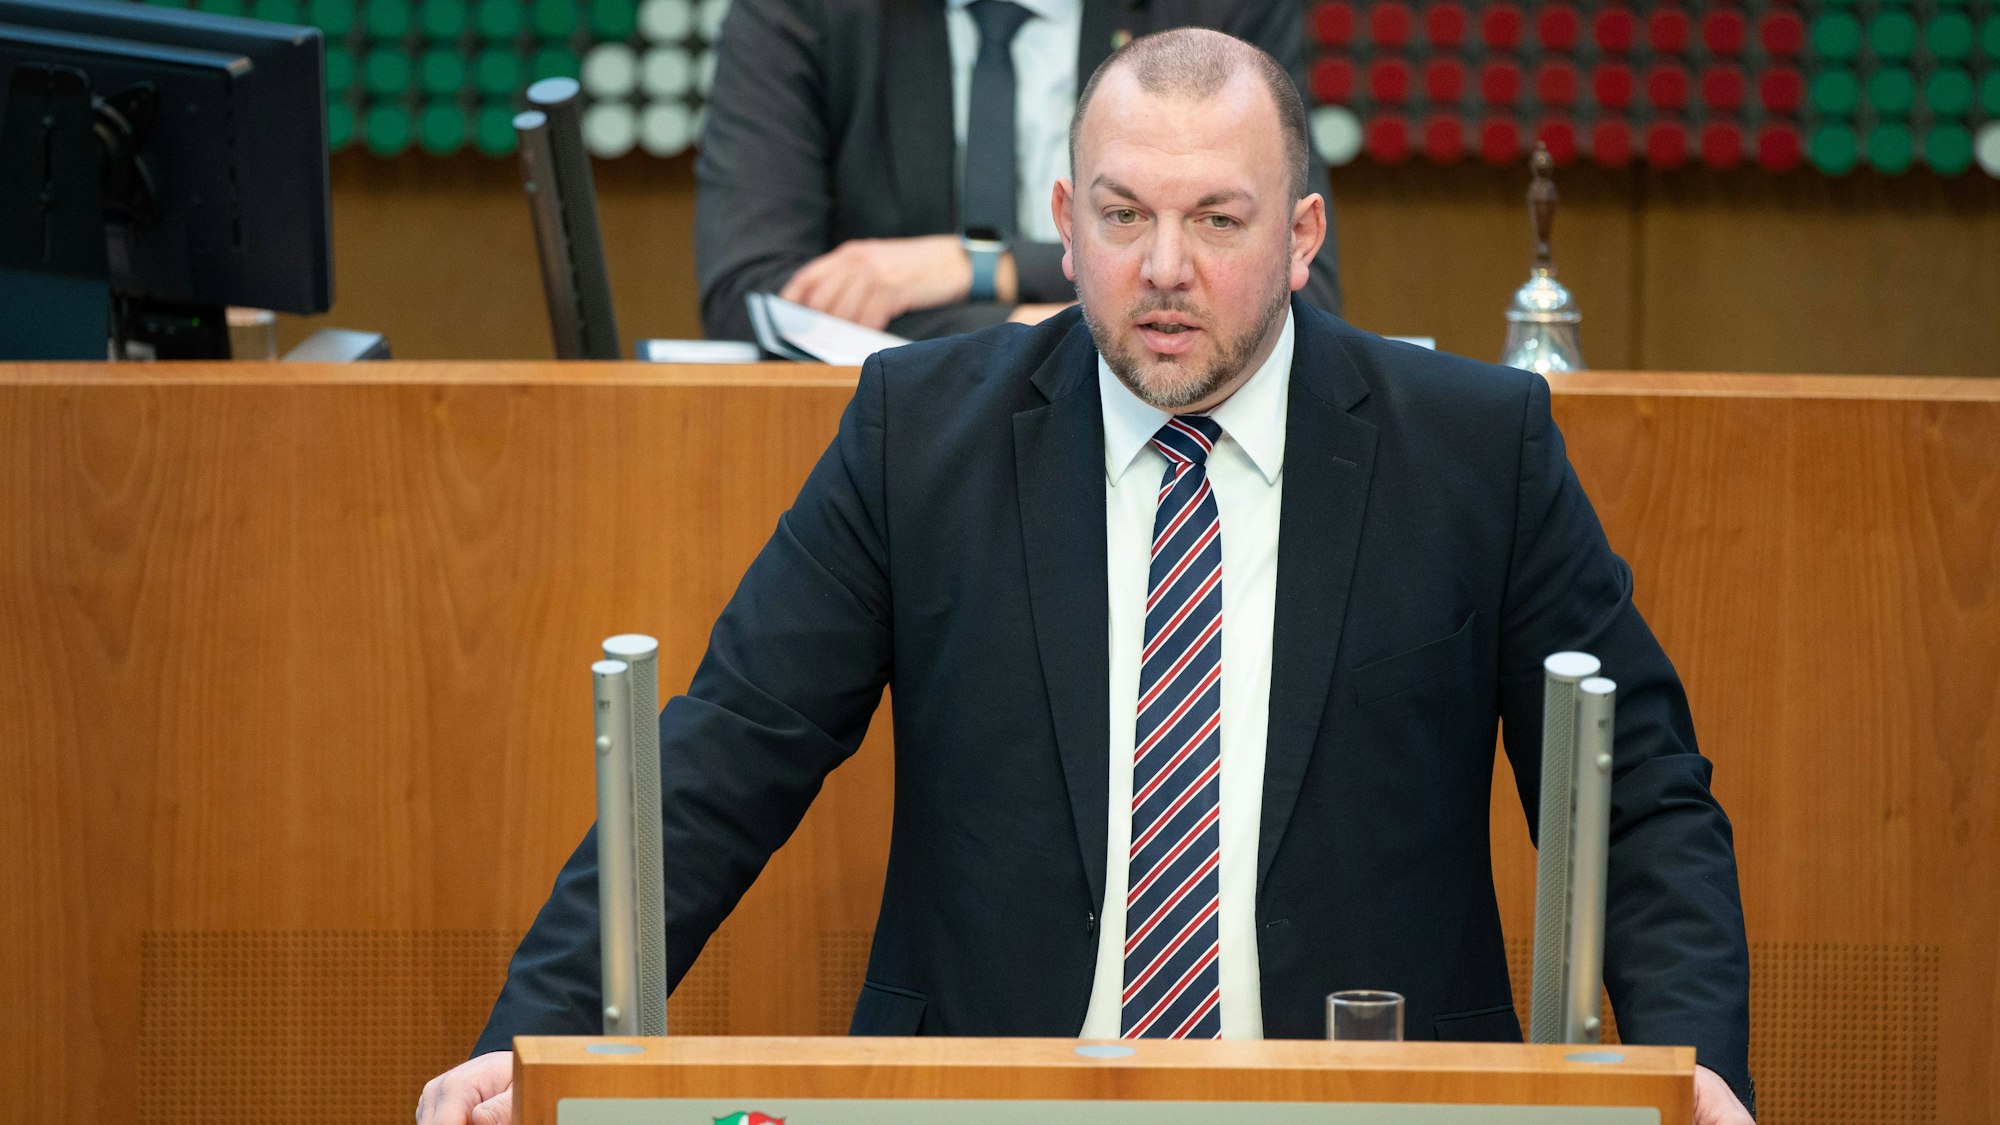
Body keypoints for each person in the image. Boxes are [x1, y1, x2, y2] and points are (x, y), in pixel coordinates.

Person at [420, 30, 1753, 1125]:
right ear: (1067, 223)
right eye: (1125, 215)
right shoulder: (915, 437)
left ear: (1300, 237)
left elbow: (1638, 797)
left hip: (1371, 1098)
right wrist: (525, 1046)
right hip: (990, 1098)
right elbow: (720, 761)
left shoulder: (1474, 450)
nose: (1164, 268)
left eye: (1216, 220)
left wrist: (1696, 1071)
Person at [695, 0, 1342, 342]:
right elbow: (753, 296)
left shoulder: (1219, 9)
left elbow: (1292, 291)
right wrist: (1042, 333)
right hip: (891, 446)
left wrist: (976, 263)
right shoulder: (802, 10)